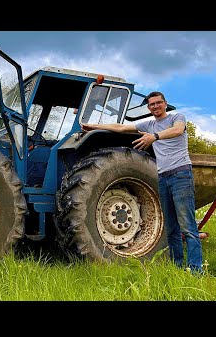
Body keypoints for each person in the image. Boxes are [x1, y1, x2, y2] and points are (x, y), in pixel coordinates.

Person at [82, 91, 203, 274]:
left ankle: (196, 269)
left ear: (165, 103)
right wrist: (93, 126)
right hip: (163, 177)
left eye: (158, 103)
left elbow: (178, 130)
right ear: (148, 107)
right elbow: (122, 128)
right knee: (170, 226)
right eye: (152, 104)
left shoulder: (177, 118)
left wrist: (153, 137)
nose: (155, 106)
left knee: (187, 225)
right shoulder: (149, 124)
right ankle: (178, 266)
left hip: (180, 176)